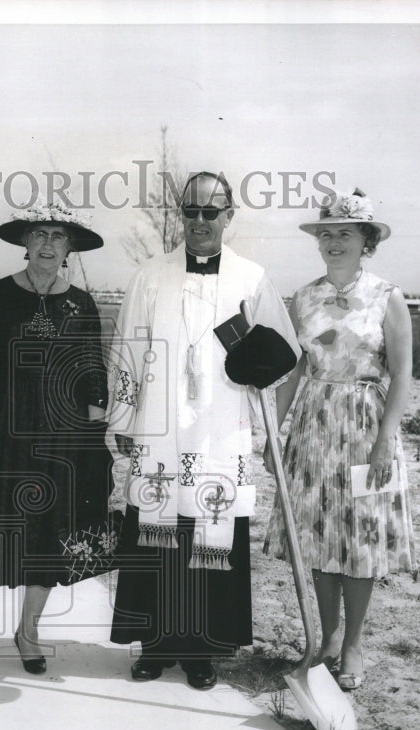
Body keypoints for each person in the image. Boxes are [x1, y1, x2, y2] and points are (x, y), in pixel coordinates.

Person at [107, 172, 300, 690]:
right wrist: (124, 418)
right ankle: (154, 646)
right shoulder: (150, 275)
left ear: (228, 217)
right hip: (160, 427)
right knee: (159, 532)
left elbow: (286, 355)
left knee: (208, 534)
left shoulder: (252, 279)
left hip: (220, 428)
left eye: (209, 213)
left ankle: (201, 652)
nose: (198, 222)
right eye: (189, 212)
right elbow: (127, 345)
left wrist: (268, 425)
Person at [0, 201, 114, 683]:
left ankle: (28, 634)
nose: (46, 243)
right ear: (24, 242)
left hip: (60, 436)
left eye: (57, 236)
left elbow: (93, 376)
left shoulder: (82, 303)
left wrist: (92, 440)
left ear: (69, 248)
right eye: (39, 233)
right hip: (3, 431)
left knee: (45, 539)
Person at [264, 188, 416, 691]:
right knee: (317, 535)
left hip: (366, 425)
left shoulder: (387, 296)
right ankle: (327, 638)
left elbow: (402, 373)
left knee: (359, 539)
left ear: (365, 240)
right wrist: (275, 432)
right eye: (325, 233)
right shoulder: (303, 297)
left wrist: (384, 440)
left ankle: (353, 645)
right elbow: (294, 369)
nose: (333, 242)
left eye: (344, 233)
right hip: (312, 424)